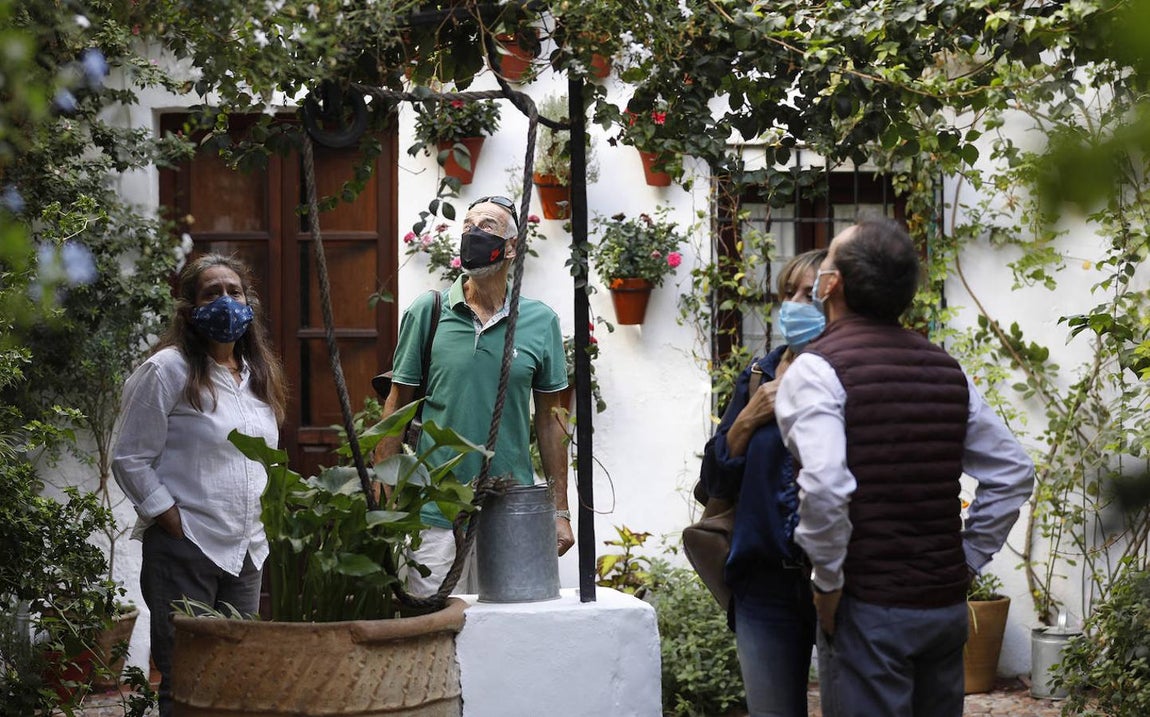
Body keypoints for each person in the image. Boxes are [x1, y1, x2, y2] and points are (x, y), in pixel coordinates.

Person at [775, 218, 1035, 717]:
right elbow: (1013, 472)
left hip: (868, 608)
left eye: (826, 262)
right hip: (942, 611)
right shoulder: (944, 368)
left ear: (833, 284)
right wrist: (965, 561)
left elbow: (827, 487)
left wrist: (827, 584)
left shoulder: (817, 370)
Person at [111, 253, 287, 717]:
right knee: (185, 682)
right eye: (212, 293)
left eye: (235, 291)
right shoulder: (166, 370)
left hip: (246, 550)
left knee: (232, 681)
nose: (226, 302)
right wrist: (172, 519)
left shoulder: (256, 376)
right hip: (187, 547)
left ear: (250, 304)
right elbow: (129, 455)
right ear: (189, 309)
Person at [378, 195, 573, 597]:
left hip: (509, 508)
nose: (472, 234)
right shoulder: (428, 312)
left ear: (513, 247)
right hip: (432, 511)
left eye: (486, 226)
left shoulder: (540, 322)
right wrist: (383, 498)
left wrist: (559, 510)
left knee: (507, 634)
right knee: (430, 632)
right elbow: (396, 405)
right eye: (467, 226)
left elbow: (552, 422)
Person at [704, 249, 826, 717]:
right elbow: (714, 477)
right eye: (788, 293)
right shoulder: (759, 376)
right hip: (763, 585)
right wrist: (749, 418)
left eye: (809, 294)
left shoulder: (850, 377)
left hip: (842, 579)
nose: (794, 304)